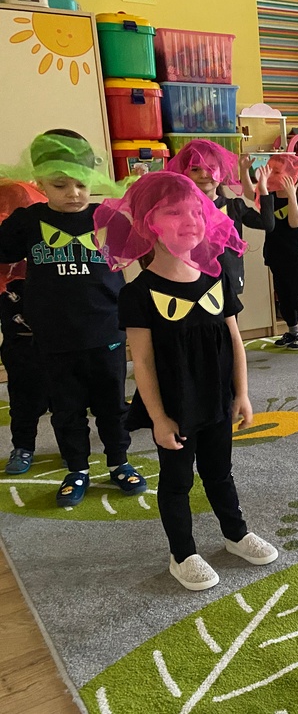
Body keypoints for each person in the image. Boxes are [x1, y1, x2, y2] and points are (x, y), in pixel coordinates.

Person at [99, 171, 278, 591]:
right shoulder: (138, 293)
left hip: (217, 399)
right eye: (174, 213)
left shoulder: (215, 277)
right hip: (177, 404)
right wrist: (159, 418)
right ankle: (182, 553)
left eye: (196, 211)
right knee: (178, 481)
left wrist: (242, 393)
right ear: (148, 224)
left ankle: (235, 534)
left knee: (220, 472)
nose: (191, 221)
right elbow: (143, 362)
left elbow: (235, 340)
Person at [0, 130, 145, 506]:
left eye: (81, 183)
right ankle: (77, 469)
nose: (73, 193)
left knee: (112, 405)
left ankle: (119, 462)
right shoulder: (29, 220)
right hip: (54, 336)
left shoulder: (106, 216)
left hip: (106, 331)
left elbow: (144, 244)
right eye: (60, 185)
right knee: (66, 409)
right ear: (40, 182)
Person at [167, 140, 275, 295]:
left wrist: (263, 189)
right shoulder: (182, 210)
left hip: (229, 282)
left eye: (211, 168)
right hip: (193, 282)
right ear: (185, 174)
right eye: (195, 169)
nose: (204, 175)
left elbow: (268, 224)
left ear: (222, 172)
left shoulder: (234, 206)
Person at [0, 181, 50, 475]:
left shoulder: (44, 251)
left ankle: (72, 446)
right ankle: (23, 445)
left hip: (58, 339)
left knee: (66, 396)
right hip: (19, 342)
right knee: (22, 395)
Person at [266, 174, 298, 348]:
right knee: (284, 298)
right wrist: (244, 170)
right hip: (275, 258)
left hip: (294, 261)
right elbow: (252, 194)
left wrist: (291, 195)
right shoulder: (270, 200)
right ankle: (293, 330)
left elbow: (295, 223)